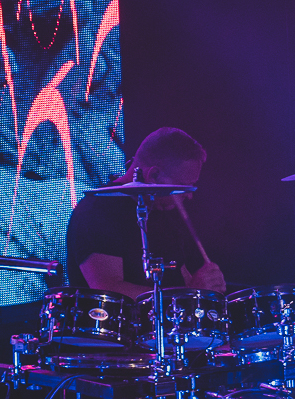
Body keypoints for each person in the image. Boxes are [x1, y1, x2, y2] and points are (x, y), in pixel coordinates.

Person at [64, 127, 226, 298]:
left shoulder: (163, 212)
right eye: (182, 186)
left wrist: (206, 288)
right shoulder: (96, 211)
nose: (189, 195)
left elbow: (180, 276)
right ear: (154, 175)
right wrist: (189, 294)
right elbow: (109, 289)